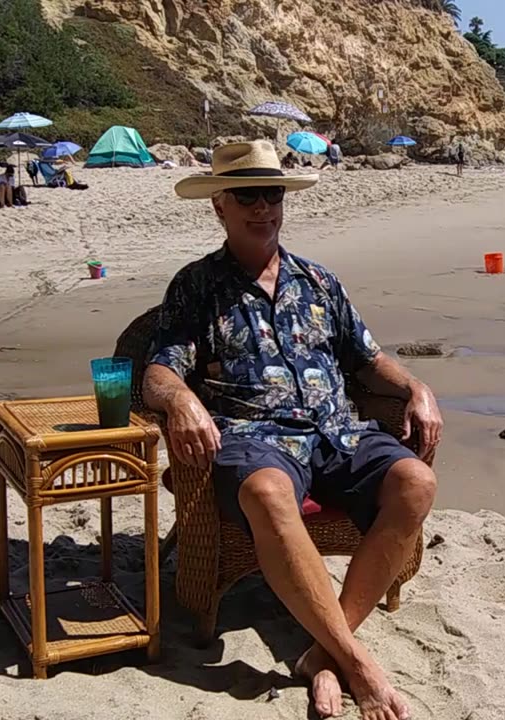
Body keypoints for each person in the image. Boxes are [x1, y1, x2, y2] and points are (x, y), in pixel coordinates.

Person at [152, 141, 440, 720]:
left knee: (416, 483)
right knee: (266, 491)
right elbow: (160, 370)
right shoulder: (196, 286)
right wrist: (180, 400)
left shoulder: (319, 281)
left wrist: (416, 388)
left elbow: (367, 361)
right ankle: (358, 664)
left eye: (272, 194)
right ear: (219, 206)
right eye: (247, 196)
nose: (263, 207)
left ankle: (325, 655)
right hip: (254, 437)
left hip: (337, 432)